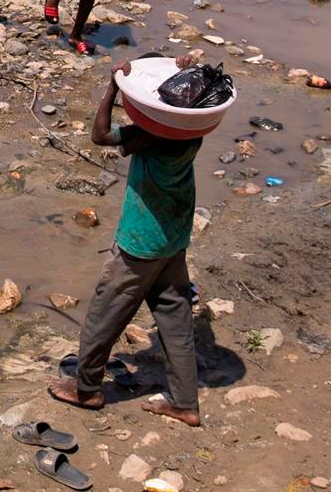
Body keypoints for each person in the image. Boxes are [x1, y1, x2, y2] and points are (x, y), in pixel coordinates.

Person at [47, 58, 204, 428]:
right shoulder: (192, 132)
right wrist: (181, 67)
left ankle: (86, 389)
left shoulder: (150, 136)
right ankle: (184, 402)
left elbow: (99, 135)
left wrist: (113, 87)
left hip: (140, 241)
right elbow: (186, 101)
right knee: (175, 316)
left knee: (106, 313)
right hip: (174, 236)